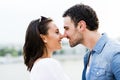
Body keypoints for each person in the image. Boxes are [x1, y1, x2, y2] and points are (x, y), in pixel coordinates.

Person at [62, 3, 120, 80]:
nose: (64, 35)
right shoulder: (87, 57)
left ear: (81, 26)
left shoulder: (115, 52)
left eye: (67, 28)